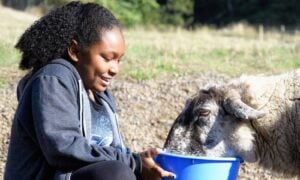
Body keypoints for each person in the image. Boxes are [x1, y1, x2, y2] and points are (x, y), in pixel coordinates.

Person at [4, 1, 176, 180]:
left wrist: (146, 166)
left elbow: (113, 153)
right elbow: (62, 148)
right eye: (107, 58)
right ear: (75, 51)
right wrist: (135, 164)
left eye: (118, 60)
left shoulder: (101, 95)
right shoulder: (53, 79)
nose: (114, 69)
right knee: (117, 173)